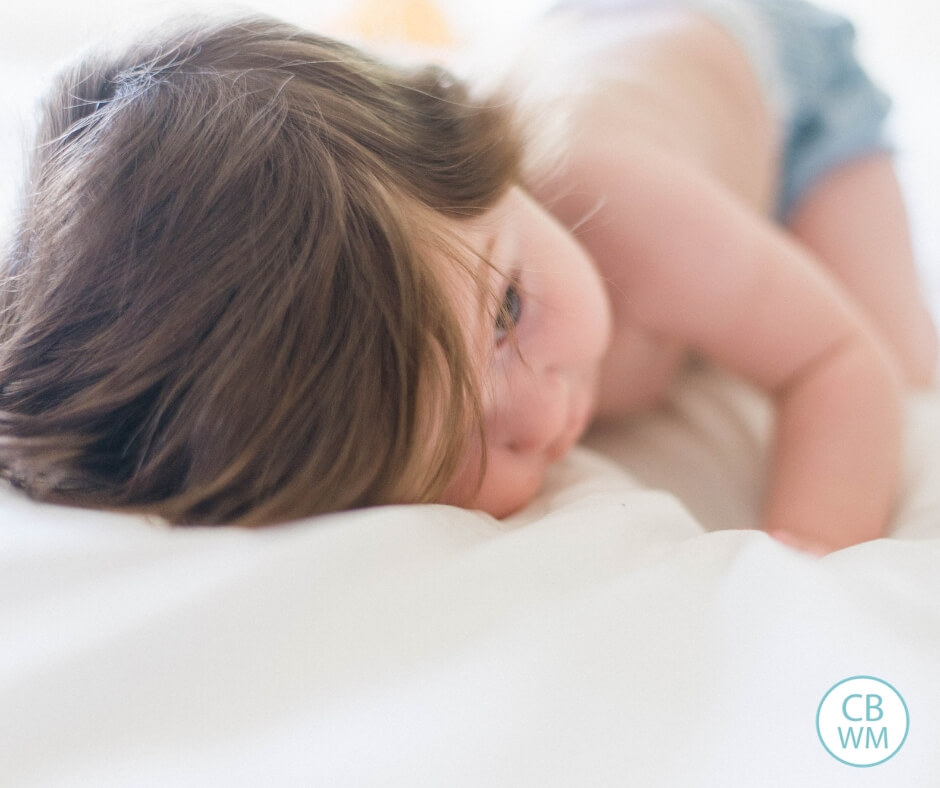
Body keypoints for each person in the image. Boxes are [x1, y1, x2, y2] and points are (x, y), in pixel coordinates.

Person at [0, 3, 934, 553]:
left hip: (781, 81)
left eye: (509, 310)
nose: (539, 413)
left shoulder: (620, 198)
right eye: (455, 445)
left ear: (488, 152)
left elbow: (837, 366)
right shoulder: (399, 321)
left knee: (909, 369)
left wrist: (804, 563)